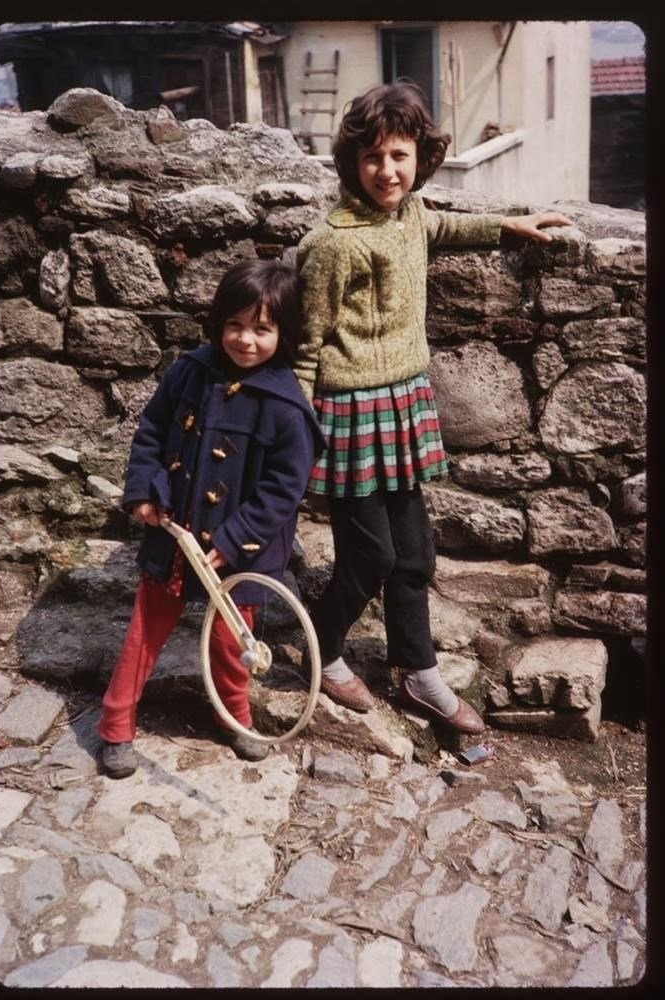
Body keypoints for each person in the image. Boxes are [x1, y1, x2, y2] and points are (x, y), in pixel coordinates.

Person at [294, 80, 571, 733]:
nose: (386, 171)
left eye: (398, 156)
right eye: (372, 158)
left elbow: (438, 224)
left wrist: (505, 225)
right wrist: (295, 430)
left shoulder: (407, 214)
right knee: (371, 558)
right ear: (350, 162)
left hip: (403, 405)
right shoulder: (332, 243)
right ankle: (323, 649)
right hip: (349, 415)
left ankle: (414, 675)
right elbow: (304, 347)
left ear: (419, 157)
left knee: (414, 555)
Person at [97, 259, 324, 777]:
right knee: (144, 631)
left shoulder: (287, 407)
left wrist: (236, 535)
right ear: (219, 322)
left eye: (262, 329)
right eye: (235, 325)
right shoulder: (189, 373)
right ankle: (115, 723)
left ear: (283, 333)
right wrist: (144, 494)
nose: (246, 340)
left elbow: (286, 487)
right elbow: (152, 431)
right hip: (174, 535)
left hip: (240, 553)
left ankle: (234, 715)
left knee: (231, 641)